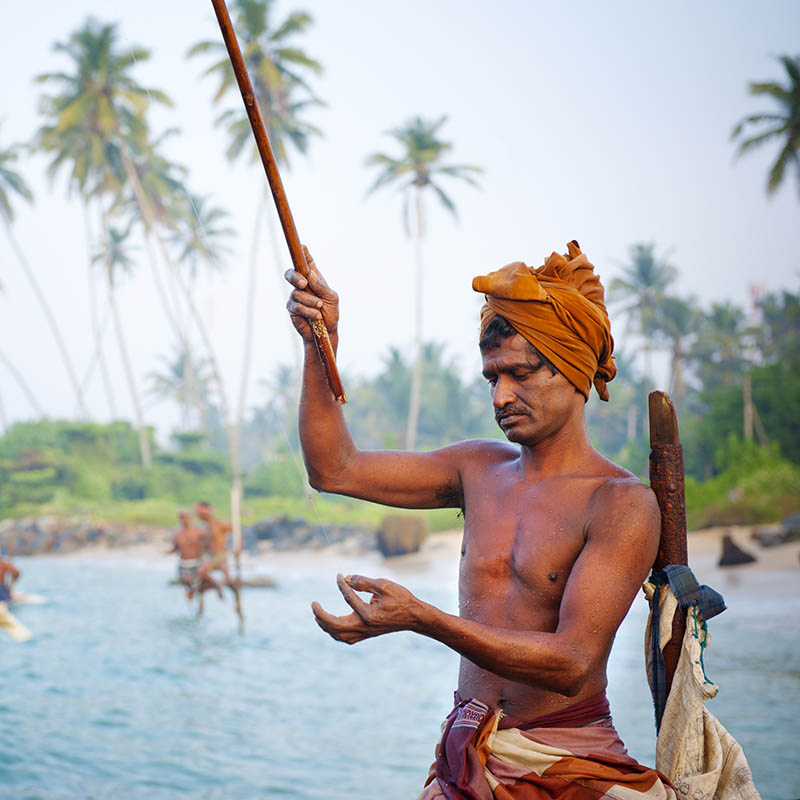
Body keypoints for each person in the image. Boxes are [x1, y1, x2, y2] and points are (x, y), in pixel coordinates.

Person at [285, 242, 676, 798]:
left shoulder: (620, 503)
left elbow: (572, 661)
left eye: (520, 373)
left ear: (572, 368)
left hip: (567, 762)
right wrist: (319, 345)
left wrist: (423, 618)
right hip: (466, 757)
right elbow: (335, 469)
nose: (502, 395)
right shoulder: (477, 467)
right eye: (492, 377)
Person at [195, 501, 243, 621]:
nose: (199, 514)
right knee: (200, 575)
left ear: (209, 510)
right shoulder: (204, 528)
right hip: (210, 558)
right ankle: (216, 587)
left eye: (201, 511)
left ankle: (236, 601)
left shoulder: (220, 523)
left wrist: (238, 549)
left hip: (221, 556)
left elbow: (237, 533)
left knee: (227, 579)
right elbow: (204, 545)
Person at [169, 510, 221, 608]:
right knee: (187, 581)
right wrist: (168, 552)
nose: (186, 520)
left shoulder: (198, 531)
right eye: (183, 518)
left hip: (196, 563)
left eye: (187, 517)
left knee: (205, 578)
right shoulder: (177, 534)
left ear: (190, 519)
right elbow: (175, 548)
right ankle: (193, 593)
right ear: (180, 519)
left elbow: (210, 541)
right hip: (184, 564)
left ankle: (215, 589)